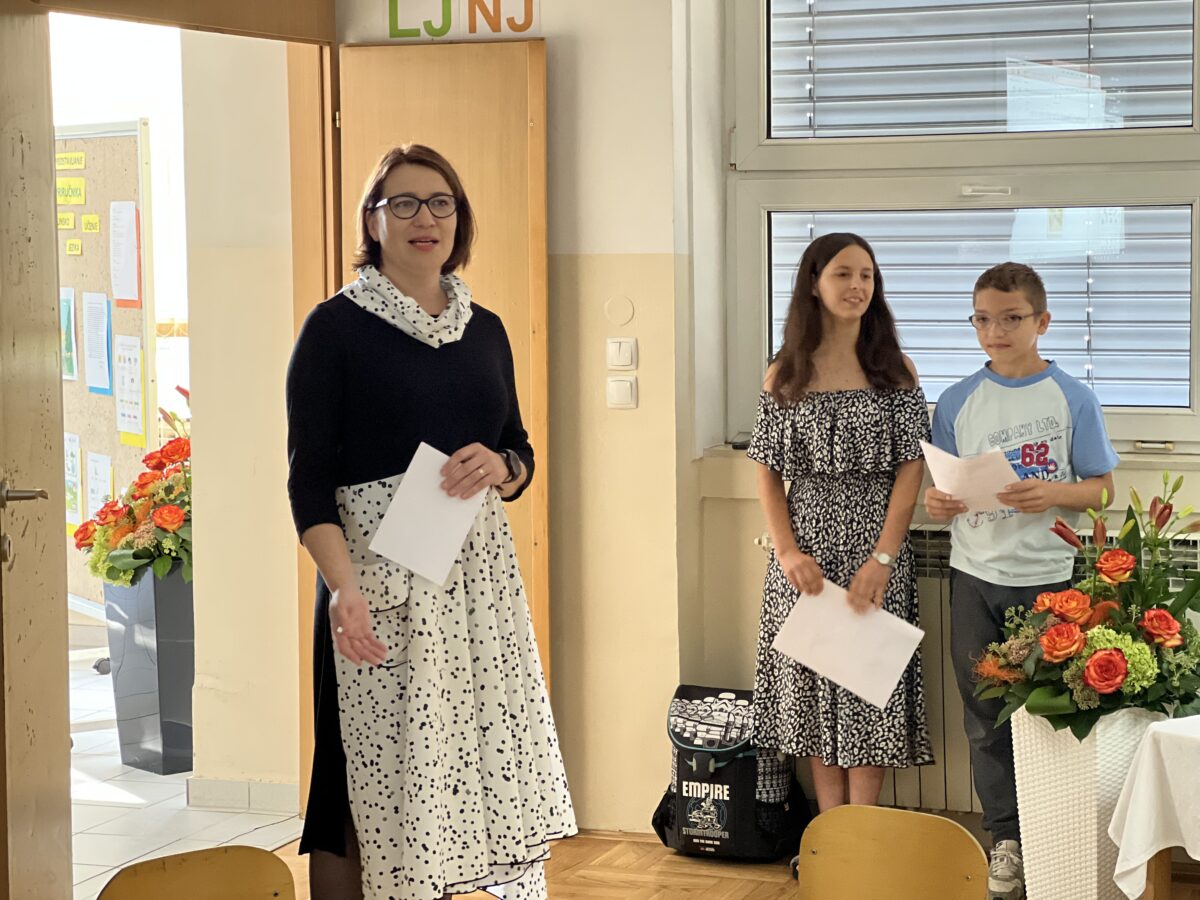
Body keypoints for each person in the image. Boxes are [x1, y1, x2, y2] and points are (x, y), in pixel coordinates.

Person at [286, 144, 576, 900]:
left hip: (474, 588)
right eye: (405, 203)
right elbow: (308, 483)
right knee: (363, 777)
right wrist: (342, 588)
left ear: (459, 218)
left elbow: (519, 449)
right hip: (372, 587)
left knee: (459, 767)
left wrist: (502, 466)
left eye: (441, 202)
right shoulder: (334, 329)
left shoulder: (487, 329)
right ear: (373, 221)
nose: (426, 218)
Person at [925, 261, 1118, 900]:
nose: (995, 331)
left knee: (1053, 714)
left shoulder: (1072, 397)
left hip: (1048, 580)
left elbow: (1102, 490)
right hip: (974, 576)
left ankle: (1057, 837)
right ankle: (1005, 840)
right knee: (985, 717)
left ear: (1042, 322)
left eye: (1011, 319)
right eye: (982, 319)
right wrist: (938, 503)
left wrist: (1054, 492)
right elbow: (943, 490)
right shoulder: (956, 401)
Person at [748, 233, 934, 845]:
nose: (857, 286)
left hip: (874, 549)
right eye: (843, 274)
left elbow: (911, 466)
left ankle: (864, 843)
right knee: (814, 697)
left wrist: (883, 556)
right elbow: (767, 470)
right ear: (813, 283)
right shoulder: (785, 372)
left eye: (867, 276)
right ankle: (830, 843)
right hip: (805, 553)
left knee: (866, 693)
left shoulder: (895, 370)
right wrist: (787, 551)